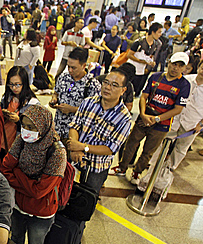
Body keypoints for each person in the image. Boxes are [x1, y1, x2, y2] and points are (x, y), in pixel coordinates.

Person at [111, 52, 191, 185]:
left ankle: (137, 172)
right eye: (173, 64)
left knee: (148, 151)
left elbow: (178, 109)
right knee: (131, 143)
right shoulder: (156, 77)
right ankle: (122, 167)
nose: (175, 68)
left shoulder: (184, 85)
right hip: (144, 117)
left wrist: (157, 119)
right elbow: (144, 96)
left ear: (185, 68)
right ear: (168, 62)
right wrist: (142, 114)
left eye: (179, 66)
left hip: (162, 124)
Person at [1, 104, 66, 244]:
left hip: (41, 212)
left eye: (31, 127)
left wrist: (17, 174)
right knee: (15, 240)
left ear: (43, 126)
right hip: (18, 206)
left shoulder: (57, 153)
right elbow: (5, 168)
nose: (26, 131)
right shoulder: (22, 139)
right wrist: (28, 181)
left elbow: (39, 191)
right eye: (23, 126)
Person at [67, 52, 133, 194]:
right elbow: (75, 125)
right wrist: (75, 147)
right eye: (106, 83)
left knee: (85, 201)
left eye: (114, 85)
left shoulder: (124, 118)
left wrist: (83, 147)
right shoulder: (89, 102)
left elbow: (110, 148)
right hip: (75, 159)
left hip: (96, 168)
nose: (108, 88)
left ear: (123, 90)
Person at [137, 59, 203, 195]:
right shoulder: (186, 80)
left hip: (192, 124)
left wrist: (200, 125)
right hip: (173, 120)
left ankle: (165, 177)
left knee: (180, 150)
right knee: (160, 146)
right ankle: (150, 174)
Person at [49, 47, 101, 141]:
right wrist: (54, 99)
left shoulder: (92, 85)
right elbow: (56, 92)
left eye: (73, 68)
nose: (70, 70)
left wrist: (71, 109)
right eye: (68, 66)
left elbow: (94, 112)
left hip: (76, 134)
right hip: (57, 128)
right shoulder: (64, 77)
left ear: (83, 65)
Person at [1, 66, 40, 148]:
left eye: (17, 85)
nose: (14, 88)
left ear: (24, 83)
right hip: (3, 140)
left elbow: (35, 129)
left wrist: (18, 121)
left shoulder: (33, 103)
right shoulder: (6, 98)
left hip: (20, 144)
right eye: (11, 84)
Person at [127, 22, 163, 97]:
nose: (160, 34)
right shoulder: (139, 42)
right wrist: (140, 61)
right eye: (159, 32)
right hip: (132, 68)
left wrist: (151, 62)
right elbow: (129, 55)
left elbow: (151, 56)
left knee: (136, 88)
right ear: (153, 32)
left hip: (141, 70)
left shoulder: (156, 44)